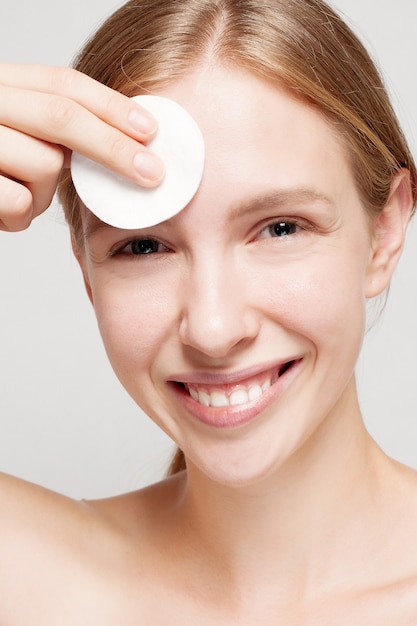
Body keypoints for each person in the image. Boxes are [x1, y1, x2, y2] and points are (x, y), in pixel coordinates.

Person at [1, 0, 417, 622]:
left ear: (384, 232)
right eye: (144, 246)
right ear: (86, 268)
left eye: (280, 228)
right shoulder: (25, 575)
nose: (215, 330)